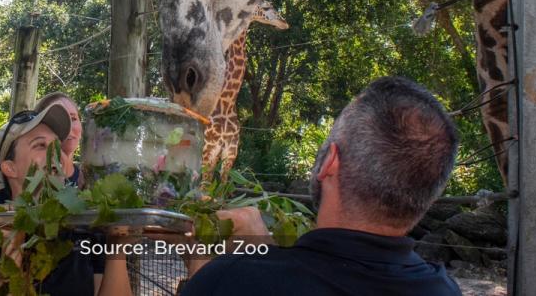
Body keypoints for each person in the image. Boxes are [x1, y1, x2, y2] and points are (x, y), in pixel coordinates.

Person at [180, 76, 463, 295]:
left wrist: (203, 256)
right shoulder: (443, 288)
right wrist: (262, 250)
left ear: (330, 163)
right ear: (429, 195)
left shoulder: (230, 280)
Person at [0, 103, 132, 296]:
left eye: (57, 146)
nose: (56, 155)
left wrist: (117, 245)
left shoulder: (82, 230)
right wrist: (1, 278)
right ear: (10, 168)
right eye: (41, 145)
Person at [34, 91, 85, 189]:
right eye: (57, 121)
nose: (69, 127)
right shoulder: (24, 179)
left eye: (73, 119)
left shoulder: (92, 177)